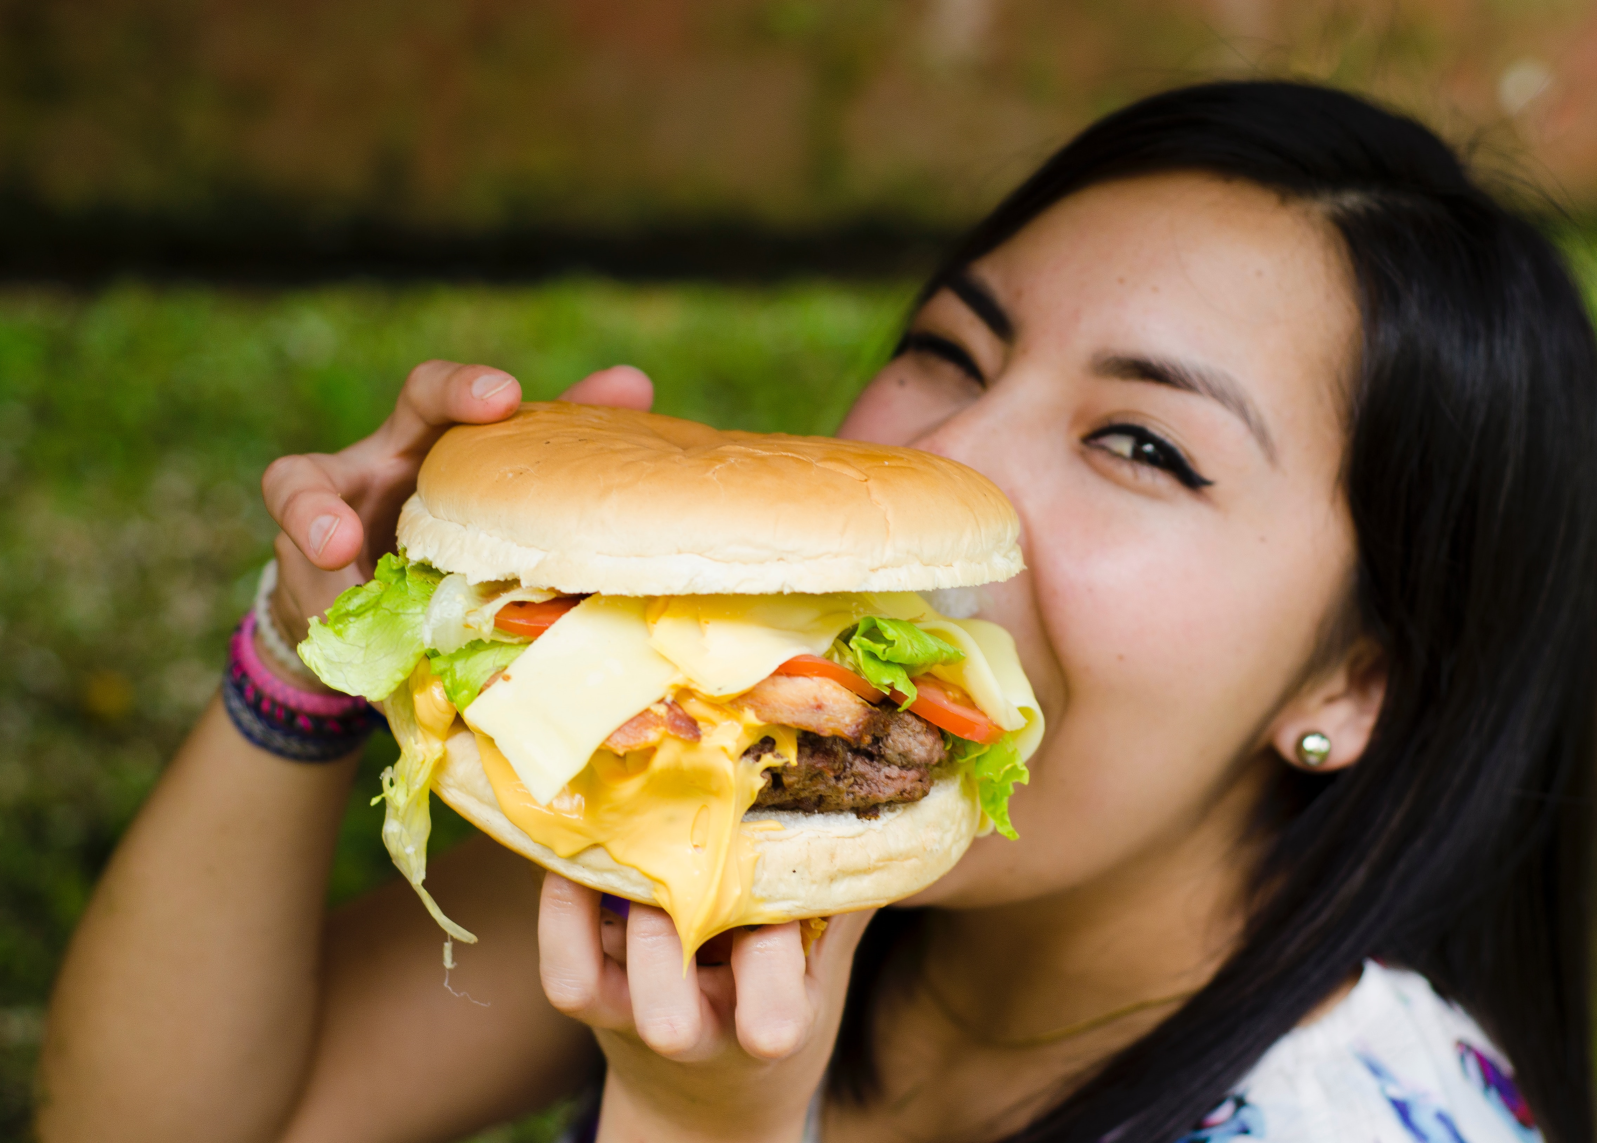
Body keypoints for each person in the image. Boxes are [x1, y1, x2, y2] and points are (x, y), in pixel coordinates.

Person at [35, 80, 1596, 1143]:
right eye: (950, 350)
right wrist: (314, 649)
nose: (944, 464)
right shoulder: (731, 827)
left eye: (1142, 444)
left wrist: (699, 1121)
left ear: (1356, 679)